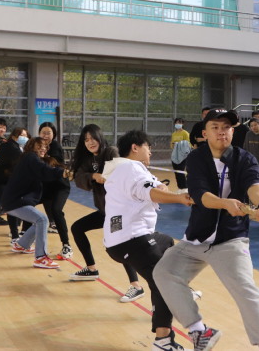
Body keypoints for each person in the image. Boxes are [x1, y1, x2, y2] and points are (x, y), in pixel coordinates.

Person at [154, 108, 259, 351]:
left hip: (230, 240)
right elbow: (200, 195)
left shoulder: (244, 158)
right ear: (205, 133)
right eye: (215, 127)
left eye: (226, 127)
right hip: (196, 239)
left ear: (233, 131)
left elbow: (254, 183)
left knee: (245, 289)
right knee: (164, 272)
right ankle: (200, 331)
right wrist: (225, 203)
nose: (222, 132)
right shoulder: (196, 159)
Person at [103, 130, 193, 351]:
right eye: (148, 147)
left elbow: (156, 186)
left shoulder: (124, 169)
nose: (150, 151)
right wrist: (180, 198)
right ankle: (163, 341)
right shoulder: (131, 168)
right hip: (132, 239)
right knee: (164, 283)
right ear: (135, 147)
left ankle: (177, 288)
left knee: (166, 242)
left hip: (121, 240)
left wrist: (160, 187)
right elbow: (150, 193)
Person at [69, 124, 146, 304]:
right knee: (77, 228)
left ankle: (136, 286)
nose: (90, 142)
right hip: (105, 211)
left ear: (99, 137)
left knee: (119, 243)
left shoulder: (111, 152)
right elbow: (79, 178)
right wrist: (93, 176)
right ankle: (91, 269)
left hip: (118, 212)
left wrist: (106, 176)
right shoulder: (88, 159)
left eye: (92, 138)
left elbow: (122, 170)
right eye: (86, 140)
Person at [2, 137, 70, 269]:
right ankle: (41, 257)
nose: (43, 148)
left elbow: (44, 173)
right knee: (42, 219)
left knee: (39, 221)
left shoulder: (28, 159)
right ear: (31, 147)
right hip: (15, 201)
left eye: (45, 146)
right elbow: (44, 170)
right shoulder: (30, 157)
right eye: (39, 146)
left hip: (13, 200)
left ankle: (21, 245)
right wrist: (62, 172)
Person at [39, 122, 73, 260]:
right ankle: (22, 235)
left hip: (60, 186)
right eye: (43, 132)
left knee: (56, 210)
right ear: (39, 133)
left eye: (49, 133)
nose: (46, 135)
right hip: (46, 186)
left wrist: (41, 157)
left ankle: (66, 245)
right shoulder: (36, 146)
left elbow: (53, 163)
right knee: (26, 203)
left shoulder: (55, 147)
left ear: (53, 135)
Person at [0, 127, 32, 244]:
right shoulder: (12, 148)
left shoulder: (17, 147)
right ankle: (15, 235)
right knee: (14, 207)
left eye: (26, 136)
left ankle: (19, 232)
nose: (25, 138)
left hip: (10, 181)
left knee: (19, 205)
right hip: (6, 181)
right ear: (14, 136)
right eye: (22, 135)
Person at [170, 117, 191, 192]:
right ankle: (179, 187)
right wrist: (174, 145)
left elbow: (189, 144)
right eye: (176, 123)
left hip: (183, 156)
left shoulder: (185, 133)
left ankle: (185, 188)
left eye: (179, 123)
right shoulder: (174, 134)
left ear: (182, 124)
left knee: (181, 171)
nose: (177, 124)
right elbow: (171, 145)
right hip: (175, 155)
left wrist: (180, 144)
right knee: (176, 172)